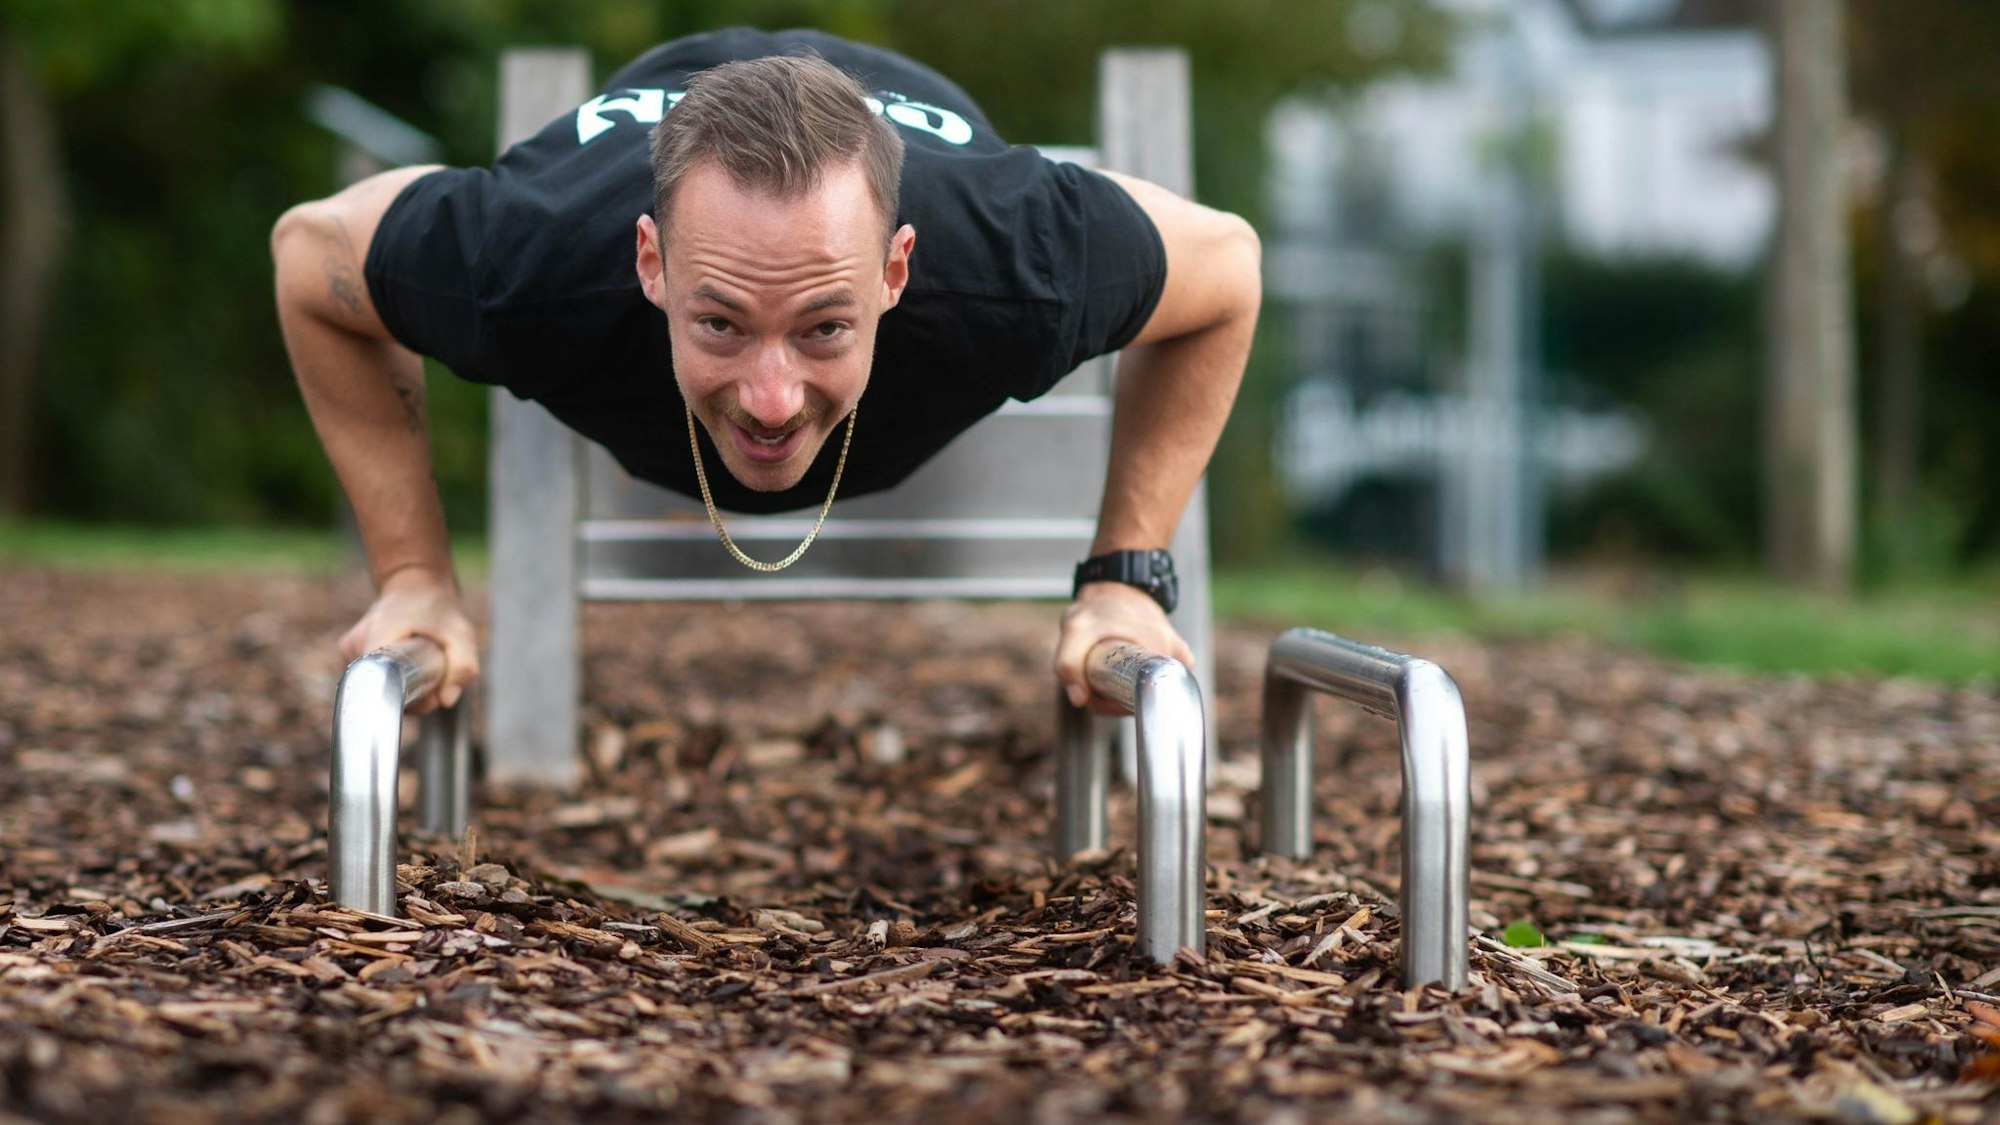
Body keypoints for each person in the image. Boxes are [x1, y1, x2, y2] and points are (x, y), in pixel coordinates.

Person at [271, 27, 1259, 718]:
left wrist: (1126, 577)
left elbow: (1225, 267)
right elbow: (310, 253)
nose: (771, 399)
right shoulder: (523, 263)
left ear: (894, 271)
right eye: (722, 324)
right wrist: (412, 576)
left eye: (824, 328)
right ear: (649, 265)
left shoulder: (1017, 267)